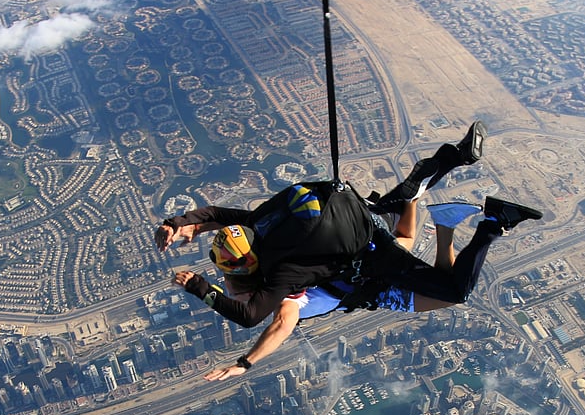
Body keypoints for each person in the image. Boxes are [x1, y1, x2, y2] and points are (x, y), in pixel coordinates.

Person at [155, 123, 499, 328]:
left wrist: (198, 287)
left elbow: (249, 315)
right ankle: (452, 159)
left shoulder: (281, 276)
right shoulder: (256, 223)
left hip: (370, 254)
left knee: (453, 291)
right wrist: (182, 223)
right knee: (400, 205)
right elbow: (217, 214)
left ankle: (490, 224)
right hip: (353, 213)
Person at [198, 195, 539, 379]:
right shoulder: (280, 270)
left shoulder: (285, 298)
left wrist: (246, 362)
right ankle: (441, 218)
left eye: (233, 293)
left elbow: (279, 328)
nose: (236, 298)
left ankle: (493, 224)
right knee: (425, 261)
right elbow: (244, 220)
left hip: (378, 288)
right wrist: (195, 223)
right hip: (366, 270)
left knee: (455, 293)